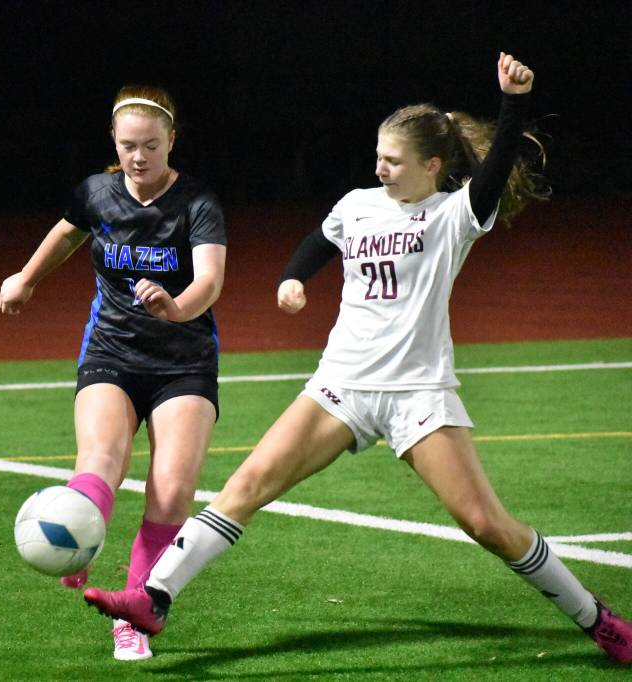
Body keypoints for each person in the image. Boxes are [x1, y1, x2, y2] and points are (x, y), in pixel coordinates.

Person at [83, 53, 632, 665]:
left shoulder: (454, 214)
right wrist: (294, 279)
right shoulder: (357, 204)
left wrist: (513, 103)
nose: (379, 167)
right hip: (340, 385)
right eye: (377, 155)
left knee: (486, 524)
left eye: (392, 160)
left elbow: (497, 167)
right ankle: (154, 597)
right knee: (246, 486)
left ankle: (598, 619)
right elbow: (319, 242)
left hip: (417, 394)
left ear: (432, 166)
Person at [0, 85, 227, 660]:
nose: (139, 157)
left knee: (171, 491)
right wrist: (26, 278)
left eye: (151, 145)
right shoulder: (96, 192)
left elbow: (209, 280)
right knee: (101, 458)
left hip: (184, 361)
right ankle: (81, 536)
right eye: (128, 146)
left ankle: (132, 614)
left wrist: (175, 307)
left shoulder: (197, 202)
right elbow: (68, 231)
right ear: (114, 141)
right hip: (112, 352)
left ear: (171, 141)